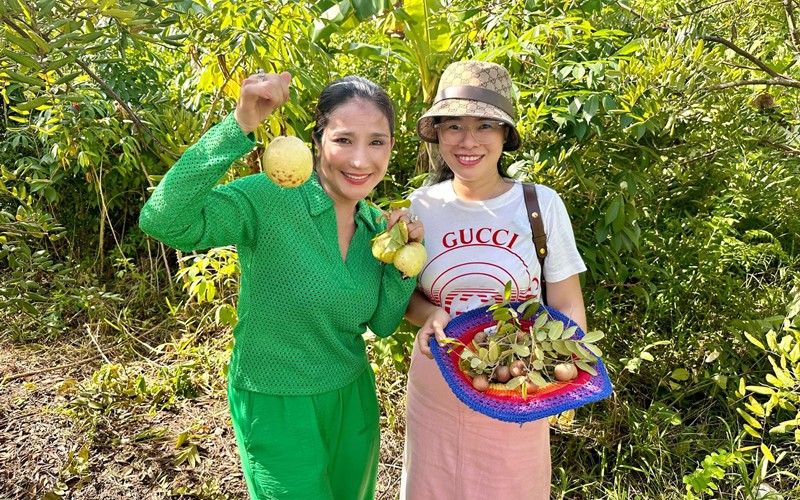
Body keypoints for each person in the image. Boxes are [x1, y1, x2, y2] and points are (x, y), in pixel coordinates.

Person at [139, 70, 423, 499]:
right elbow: (163, 219)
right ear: (319, 140)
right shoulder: (271, 197)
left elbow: (382, 324)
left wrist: (405, 261)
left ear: (391, 148)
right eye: (344, 139)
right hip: (276, 399)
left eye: (376, 141)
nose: (361, 160)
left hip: (352, 396)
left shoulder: (375, 229)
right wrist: (240, 125)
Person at [399, 60, 588, 499]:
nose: (468, 142)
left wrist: (562, 380)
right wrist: (431, 314)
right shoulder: (418, 206)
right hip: (437, 381)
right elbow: (405, 297)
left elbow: (567, 303)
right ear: (438, 134)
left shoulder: (540, 204)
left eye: (485, 125)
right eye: (453, 126)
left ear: (506, 135)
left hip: (517, 382)